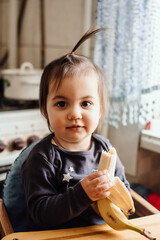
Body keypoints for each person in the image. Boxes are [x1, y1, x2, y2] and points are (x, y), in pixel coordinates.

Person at [21, 28, 130, 231]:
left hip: (102, 232)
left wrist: (118, 198)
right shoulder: (42, 157)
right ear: (45, 110)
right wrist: (83, 194)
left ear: (101, 110)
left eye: (86, 103)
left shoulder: (104, 148)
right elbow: (40, 213)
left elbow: (125, 191)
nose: (75, 114)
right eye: (62, 104)